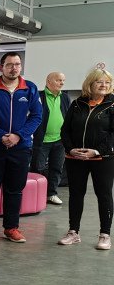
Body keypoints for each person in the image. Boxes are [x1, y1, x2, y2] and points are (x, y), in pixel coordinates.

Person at [0, 52, 42, 242]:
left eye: (17, 64)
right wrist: (1, 136)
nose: (14, 68)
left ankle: (11, 228)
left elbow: (36, 116)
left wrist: (18, 136)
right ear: (1, 67)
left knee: (14, 190)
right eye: (10, 65)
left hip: (20, 148)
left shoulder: (30, 88)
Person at [57, 65, 114, 250]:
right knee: (75, 194)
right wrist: (71, 149)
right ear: (90, 83)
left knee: (104, 195)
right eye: (99, 82)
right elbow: (65, 130)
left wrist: (96, 151)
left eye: (107, 82)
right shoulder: (77, 104)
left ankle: (105, 235)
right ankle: (73, 232)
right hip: (76, 158)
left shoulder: (112, 104)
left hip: (103, 159)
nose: (104, 85)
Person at [33, 71, 70, 205]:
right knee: (38, 168)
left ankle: (51, 194)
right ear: (49, 81)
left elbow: (68, 117)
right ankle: (36, 194)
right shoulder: (38, 96)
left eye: (63, 80)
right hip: (41, 140)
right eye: (58, 80)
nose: (62, 83)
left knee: (56, 168)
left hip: (59, 140)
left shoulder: (65, 97)